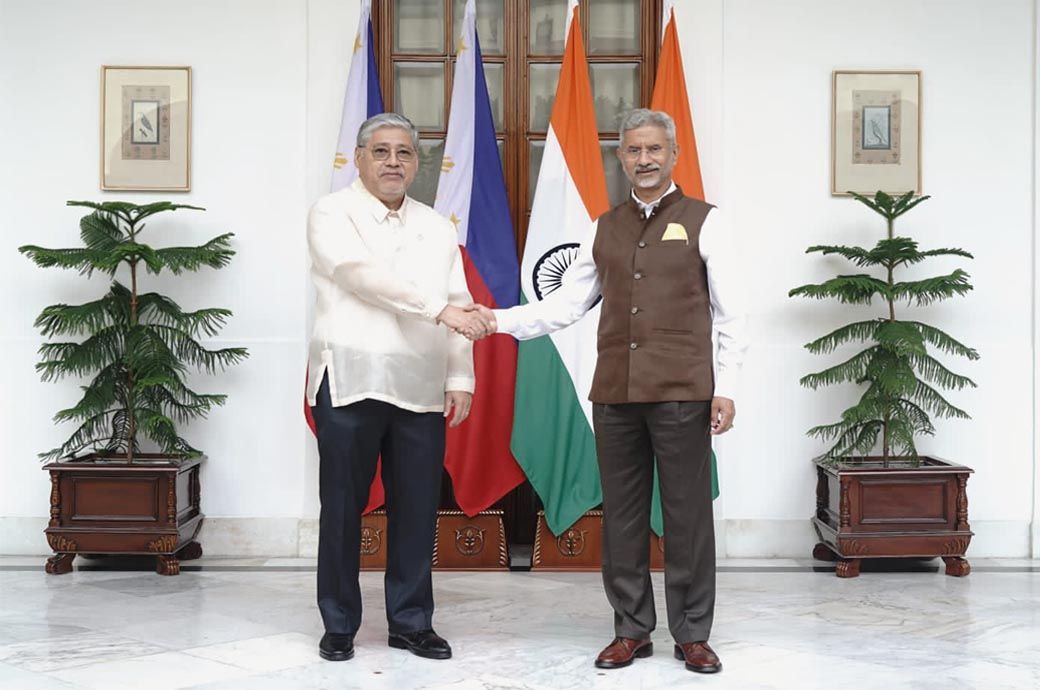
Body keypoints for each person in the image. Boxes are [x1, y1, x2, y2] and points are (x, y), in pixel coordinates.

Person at [474, 109, 747, 674]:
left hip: (683, 392)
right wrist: (494, 321)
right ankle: (632, 630)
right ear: (620, 157)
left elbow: (731, 315)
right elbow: (566, 306)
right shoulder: (604, 226)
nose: (643, 160)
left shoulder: (707, 222)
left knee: (686, 516)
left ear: (672, 154)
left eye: (654, 149)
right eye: (632, 150)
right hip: (616, 395)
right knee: (620, 516)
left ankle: (692, 634)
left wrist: (727, 388)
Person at [306, 112, 491, 662]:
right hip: (351, 378)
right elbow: (358, 276)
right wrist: (438, 311)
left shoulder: (438, 226)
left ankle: (411, 622)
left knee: (416, 510)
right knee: (342, 506)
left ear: (417, 163)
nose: (392, 162)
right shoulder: (330, 213)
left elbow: (459, 299)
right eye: (381, 151)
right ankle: (338, 623)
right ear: (359, 158)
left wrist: (460, 376)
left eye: (404, 153)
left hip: (421, 383)